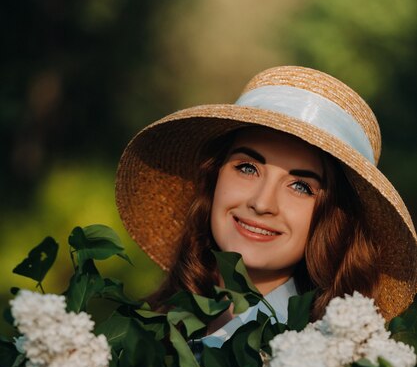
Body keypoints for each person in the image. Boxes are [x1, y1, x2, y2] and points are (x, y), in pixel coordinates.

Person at [115, 65, 417, 337]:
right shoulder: (142, 326)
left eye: (300, 186)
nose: (262, 203)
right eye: (248, 168)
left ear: (336, 220)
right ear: (214, 177)